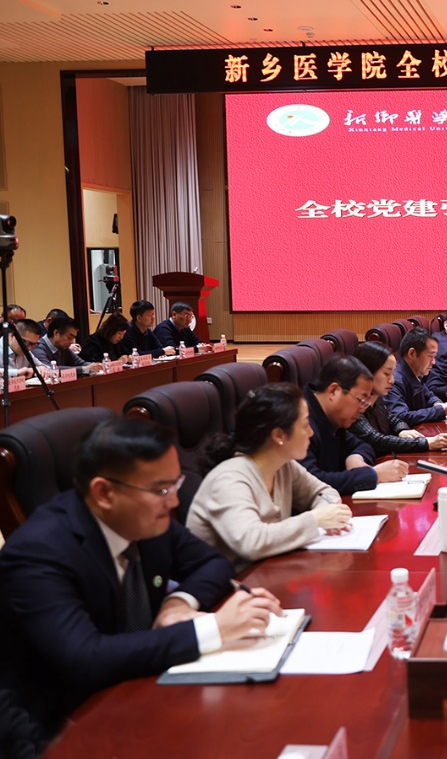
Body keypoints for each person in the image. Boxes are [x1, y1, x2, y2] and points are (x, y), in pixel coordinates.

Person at [0, 418, 283, 744]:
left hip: (140, 685)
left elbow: (212, 562)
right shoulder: (39, 552)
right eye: (161, 489)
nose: (173, 501)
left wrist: (178, 604)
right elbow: (86, 657)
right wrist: (214, 629)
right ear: (104, 492)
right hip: (61, 724)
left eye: (175, 484)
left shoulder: (142, 518)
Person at [187, 383, 351, 569]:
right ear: (279, 435)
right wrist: (315, 520)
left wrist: (327, 513)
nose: (311, 432)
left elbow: (324, 492)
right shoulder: (228, 479)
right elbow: (251, 542)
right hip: (227, 583)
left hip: (268, 573)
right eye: (305, 424)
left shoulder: (284, 465)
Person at [300, 356, 408, 494]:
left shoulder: (333, 415)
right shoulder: (299, 420)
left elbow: (362, 445)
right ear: (333, 391)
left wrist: (356, 457)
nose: (363, 409)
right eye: (361, 400)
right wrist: (373, 475)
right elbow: (309, 483)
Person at [353, 340, 447, 455]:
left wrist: (402, 430)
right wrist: (426, 443)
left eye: (392, 374)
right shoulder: (353, 406)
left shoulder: (377, 398)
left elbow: (393, 420)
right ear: (366, 372)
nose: (392, 380)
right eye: (387, 374)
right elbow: (377, 440)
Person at [383, 330, 447, 427]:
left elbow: (429, 396)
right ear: (412, 353)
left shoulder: (415, 373)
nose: (433, 362)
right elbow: (401, 416)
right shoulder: (395, 380)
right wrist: (441, 410)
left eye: (435, 357)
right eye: (430, 356)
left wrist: (437, 404)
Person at [30, 316, 103, 377]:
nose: (72, 342)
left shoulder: (63, 347)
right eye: (69, 337)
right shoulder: (38, 347)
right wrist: (84, 369)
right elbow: (49, 369)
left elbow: (81, 363)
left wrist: (98, 366)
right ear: (56, 333)